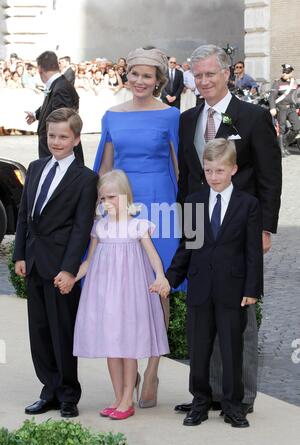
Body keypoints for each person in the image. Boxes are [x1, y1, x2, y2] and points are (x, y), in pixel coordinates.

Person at [174, 44, 282, 416]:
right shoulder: (188, 119)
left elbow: (270, 176)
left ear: (227, 75)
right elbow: (188, 178)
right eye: (198, 75)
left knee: (239, 315)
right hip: (200, 227)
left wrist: (265, 228)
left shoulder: (251, 117)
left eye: (210, 74)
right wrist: (187, 228)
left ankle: (240, 396)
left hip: (240, 229)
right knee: (203, 311)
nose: (203, 82)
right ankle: (206, 393)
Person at [93, 46, 183, 409]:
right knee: (125, 286)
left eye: (148, 75)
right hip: (122, 205)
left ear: (158, 79)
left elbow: (181, 168)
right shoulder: (112, 115)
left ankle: (154, 367)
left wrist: (189, 220)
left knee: (158, 287)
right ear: (126, 76)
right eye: (135, 74)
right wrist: (101, 213)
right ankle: (130, 371)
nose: (140, 81)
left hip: (162, 204)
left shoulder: (172, 115)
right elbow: (105, 168)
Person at [153, 139, 263, 427]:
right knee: (199, 350)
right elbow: (187, 247)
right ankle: (200, 402)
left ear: (233, 169)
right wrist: (169, 279)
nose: (214, 177)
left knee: (231, 350)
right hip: (200, 289)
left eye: (220, 171)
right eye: (209, 170)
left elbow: (252, 252)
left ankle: (233, 405)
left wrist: (252, 290)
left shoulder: (247, 204)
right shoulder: (194, 202)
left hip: (233, 290)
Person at [13, 108, 98, 418]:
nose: (56, 142)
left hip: (61, 266)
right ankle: (48, 390)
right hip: (34, 261)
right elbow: (24, 214)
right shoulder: (35, 168)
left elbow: (81, 228)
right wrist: (20, 253)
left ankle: (67, 395)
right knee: (39, 330)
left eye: (64, 137)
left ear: (76, 139)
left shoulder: (86, 178)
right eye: (52, 136)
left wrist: (69, 269)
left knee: (62, 331)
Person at [73, 170, 170, 420]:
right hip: (105, 295)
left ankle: (128, 399)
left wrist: (160, 276)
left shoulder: (137, 226)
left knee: (128, 347)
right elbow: (89, 262)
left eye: (112, 197)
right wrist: (73, 277)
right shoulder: (99, 228)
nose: (107, 203)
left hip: (131, 294)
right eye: (102, 198)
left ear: (126, 196)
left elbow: (153, 257)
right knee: (112, 347)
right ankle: (117, 397)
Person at [25, 51, 84, 162]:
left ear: (40, 70)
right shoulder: (59, 84)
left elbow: (62, 122)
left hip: (58, 156)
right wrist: (36, 114)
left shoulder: (60, 88)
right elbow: (50, 104)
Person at [269, 64, 300, 157]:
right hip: (281, 108)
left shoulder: (294, 82)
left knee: (297, 127)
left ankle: (285, 143)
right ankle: (281, 149)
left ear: (291, 73)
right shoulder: (277, 83)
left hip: (292, 108)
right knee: (281, 129)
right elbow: (272, 96)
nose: (284, 74)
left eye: (286, 72)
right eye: (283, 72)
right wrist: (272, 107)